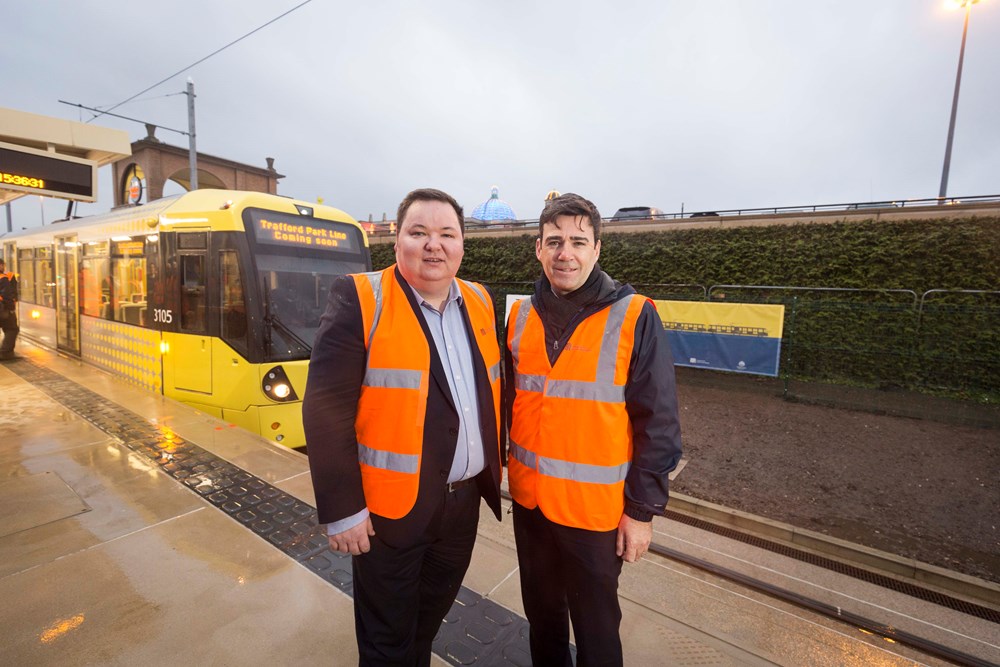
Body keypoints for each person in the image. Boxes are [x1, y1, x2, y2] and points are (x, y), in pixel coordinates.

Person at [303, 188, 503, 666]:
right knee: (386, 641)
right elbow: (325, 406)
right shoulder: (360, 297)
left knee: (426, 624)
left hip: (461, 506)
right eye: (420, 233)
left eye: (446, 234)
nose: (434, 245)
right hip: (390, 510)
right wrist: (344, 509)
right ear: (398, 241)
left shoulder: (479, 300)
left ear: (461, 245)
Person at [504, 192, 683, 666]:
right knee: (542, 619)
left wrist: (642, 512)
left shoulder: (634, 314)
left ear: (597, 249)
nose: (566, 253)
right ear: (538, 249)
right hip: (531, 504)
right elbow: (507, 404)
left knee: (597, 630)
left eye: (579, 241)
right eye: (555, 241)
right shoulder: (520, 316)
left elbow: (659, 422)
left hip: (594, 514)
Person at [0, 258, 19, 361]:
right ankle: (5, 352)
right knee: (12, 328)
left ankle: (7, 352)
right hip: (3, 309)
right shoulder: (3, 278)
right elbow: (7, 295)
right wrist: (11, 308)